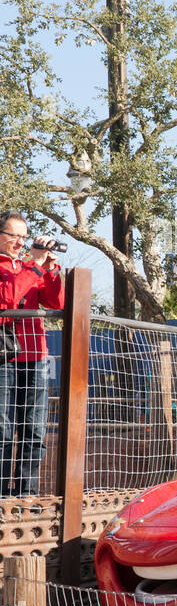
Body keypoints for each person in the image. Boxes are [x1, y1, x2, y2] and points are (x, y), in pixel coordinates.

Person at [0, 211, 64, 496]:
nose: (19, 242)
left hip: (36, 357)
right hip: (3, 360)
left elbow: (56, 301)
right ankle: (2, 496)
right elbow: (8, 299)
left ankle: (25, 496)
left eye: (24, 237)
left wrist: (50, 269)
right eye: (13, 236)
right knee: (2, 431)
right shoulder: (14, 267)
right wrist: (35, 266)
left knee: (35, 432)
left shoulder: (30, 266)